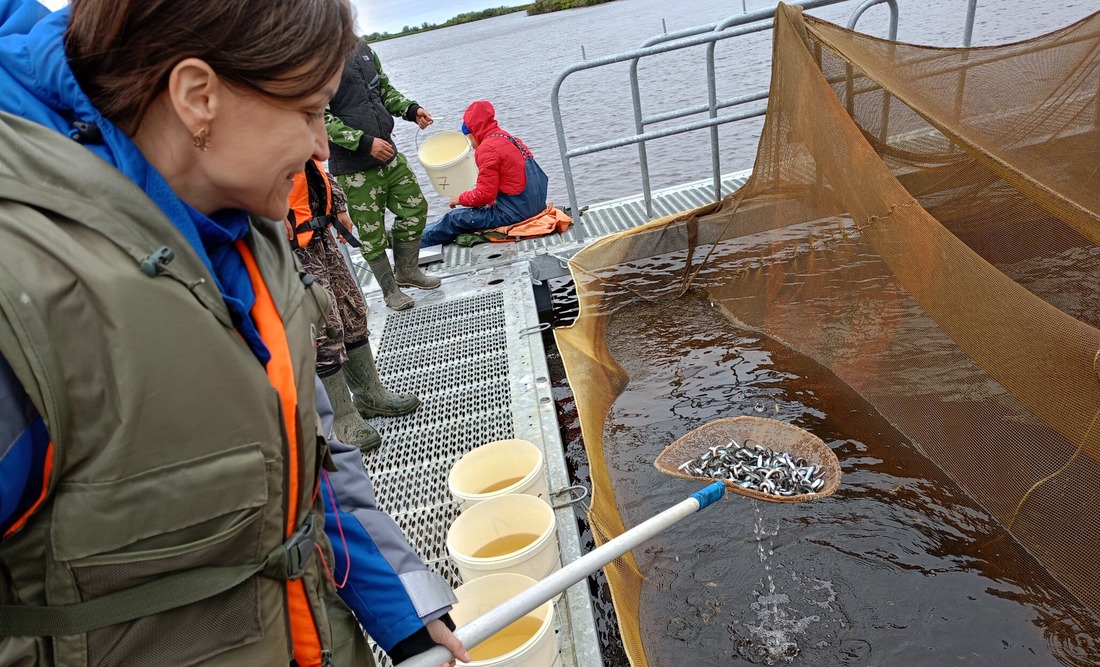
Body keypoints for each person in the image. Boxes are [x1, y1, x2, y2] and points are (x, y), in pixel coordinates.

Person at [0, 2, 469, 666]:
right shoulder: (20, 292)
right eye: (307, 112)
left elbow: (312, 462)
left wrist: (407, 619)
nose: (318, 146)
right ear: (198, 98)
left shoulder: (245, 221)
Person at [287, 159, 420, 452]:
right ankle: (342, 416)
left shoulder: (285, 119)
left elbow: (312, 158)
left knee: (351, 309)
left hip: (320, 232)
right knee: (323, 325)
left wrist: (337, 203)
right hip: (289, 245)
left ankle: (370, 394)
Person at [325, 38, 440, 312]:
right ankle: (390, 290)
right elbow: (319, 117)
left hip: (389, 154)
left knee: (415, 208)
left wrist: (411, 110)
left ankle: (408, 271)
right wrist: (364, 142)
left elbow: (384, 90)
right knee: (371, 231)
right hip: (355, 168)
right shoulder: (314, 58)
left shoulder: (362, 49)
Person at [419, 100, 549, 248]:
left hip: (516, 212)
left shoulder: (487, 149)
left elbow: (485, 194)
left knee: (453, 218)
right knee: (469, 213)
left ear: (474, 132)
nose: (471, 145)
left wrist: (459, 198)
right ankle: (415, 236)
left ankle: (412, 245)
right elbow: (512, 181)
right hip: (536, 204)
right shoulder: (509, 138)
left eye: (468, 138)